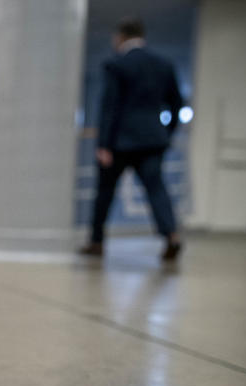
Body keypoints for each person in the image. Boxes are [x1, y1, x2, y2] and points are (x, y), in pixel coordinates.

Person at [79, 17, 185, 261]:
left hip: (120, 142)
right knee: (156, 189)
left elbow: (110, 107)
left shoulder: (117, 64)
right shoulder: (163, 64)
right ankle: (171, 236)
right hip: (152, 140)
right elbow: (176, 104)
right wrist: (166, 133)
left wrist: (103, 144)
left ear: (121, 37)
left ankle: (96, 241)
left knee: (105, 191)